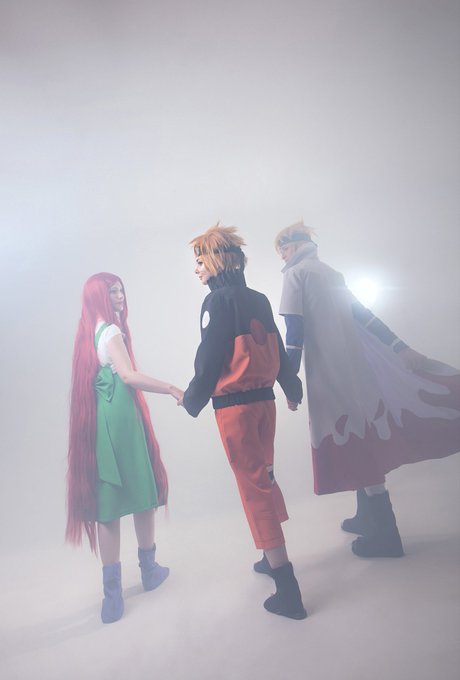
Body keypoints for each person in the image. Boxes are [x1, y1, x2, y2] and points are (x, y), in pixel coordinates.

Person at [274, 221, 460, 558]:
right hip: (354, 368)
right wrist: (399, 346)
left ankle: (386, 535)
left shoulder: (296, 275)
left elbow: (294, 333)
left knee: (354, 439)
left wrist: (290, 382)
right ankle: (366, 517)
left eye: (283, 249)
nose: (281, 256)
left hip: (329, 373)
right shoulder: (331, 273)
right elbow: (364, 316)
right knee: (359, 434)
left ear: (295, 244)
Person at [178, 224, 307, 620]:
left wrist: (192, 398)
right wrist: (292, 387)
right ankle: (271, 556)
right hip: (265, 404)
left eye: (200, 260)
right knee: (265, 474)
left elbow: (210, 356)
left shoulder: (216, 303)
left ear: (219, 261)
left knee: (255, 488)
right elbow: (277, 348)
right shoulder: (259, 299)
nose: (197, 268)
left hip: (235, 410)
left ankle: (287, 588)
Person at [66, 272, 182, 623]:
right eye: (112, 292)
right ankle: (149, 570)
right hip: (121, 418)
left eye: (120, 290)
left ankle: (112, 597)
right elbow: (128, 376)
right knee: (143, 490)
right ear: (99, 297)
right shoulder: (111, 331)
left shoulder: (89, 331)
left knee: (109, 502)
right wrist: (170, 388)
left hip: (102, 419)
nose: (120, 296)